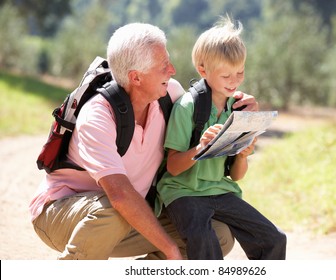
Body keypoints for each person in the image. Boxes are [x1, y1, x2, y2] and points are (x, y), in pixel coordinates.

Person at [29, 22, 259, 260]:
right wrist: (170, 249)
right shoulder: (97, 116)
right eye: (163, 66)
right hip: (62, 215)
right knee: (115, 210)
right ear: (136, 77)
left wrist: (242, 104)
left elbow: (210, 108)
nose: (172, 70)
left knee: (217, 234)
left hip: (126, 214)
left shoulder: (170, 94)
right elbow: (120, 195)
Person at [156, 16, 287, 260]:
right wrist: (201, 146)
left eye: (240, 72)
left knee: (274, 238)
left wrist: (243, 155)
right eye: (226, 76)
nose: (235, 81)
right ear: (203, 70)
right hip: (183, 192)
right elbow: (173, 168)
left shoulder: (238, 109)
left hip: (219, 189)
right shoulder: (187, 107)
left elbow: (236, 175)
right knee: (205, 241)